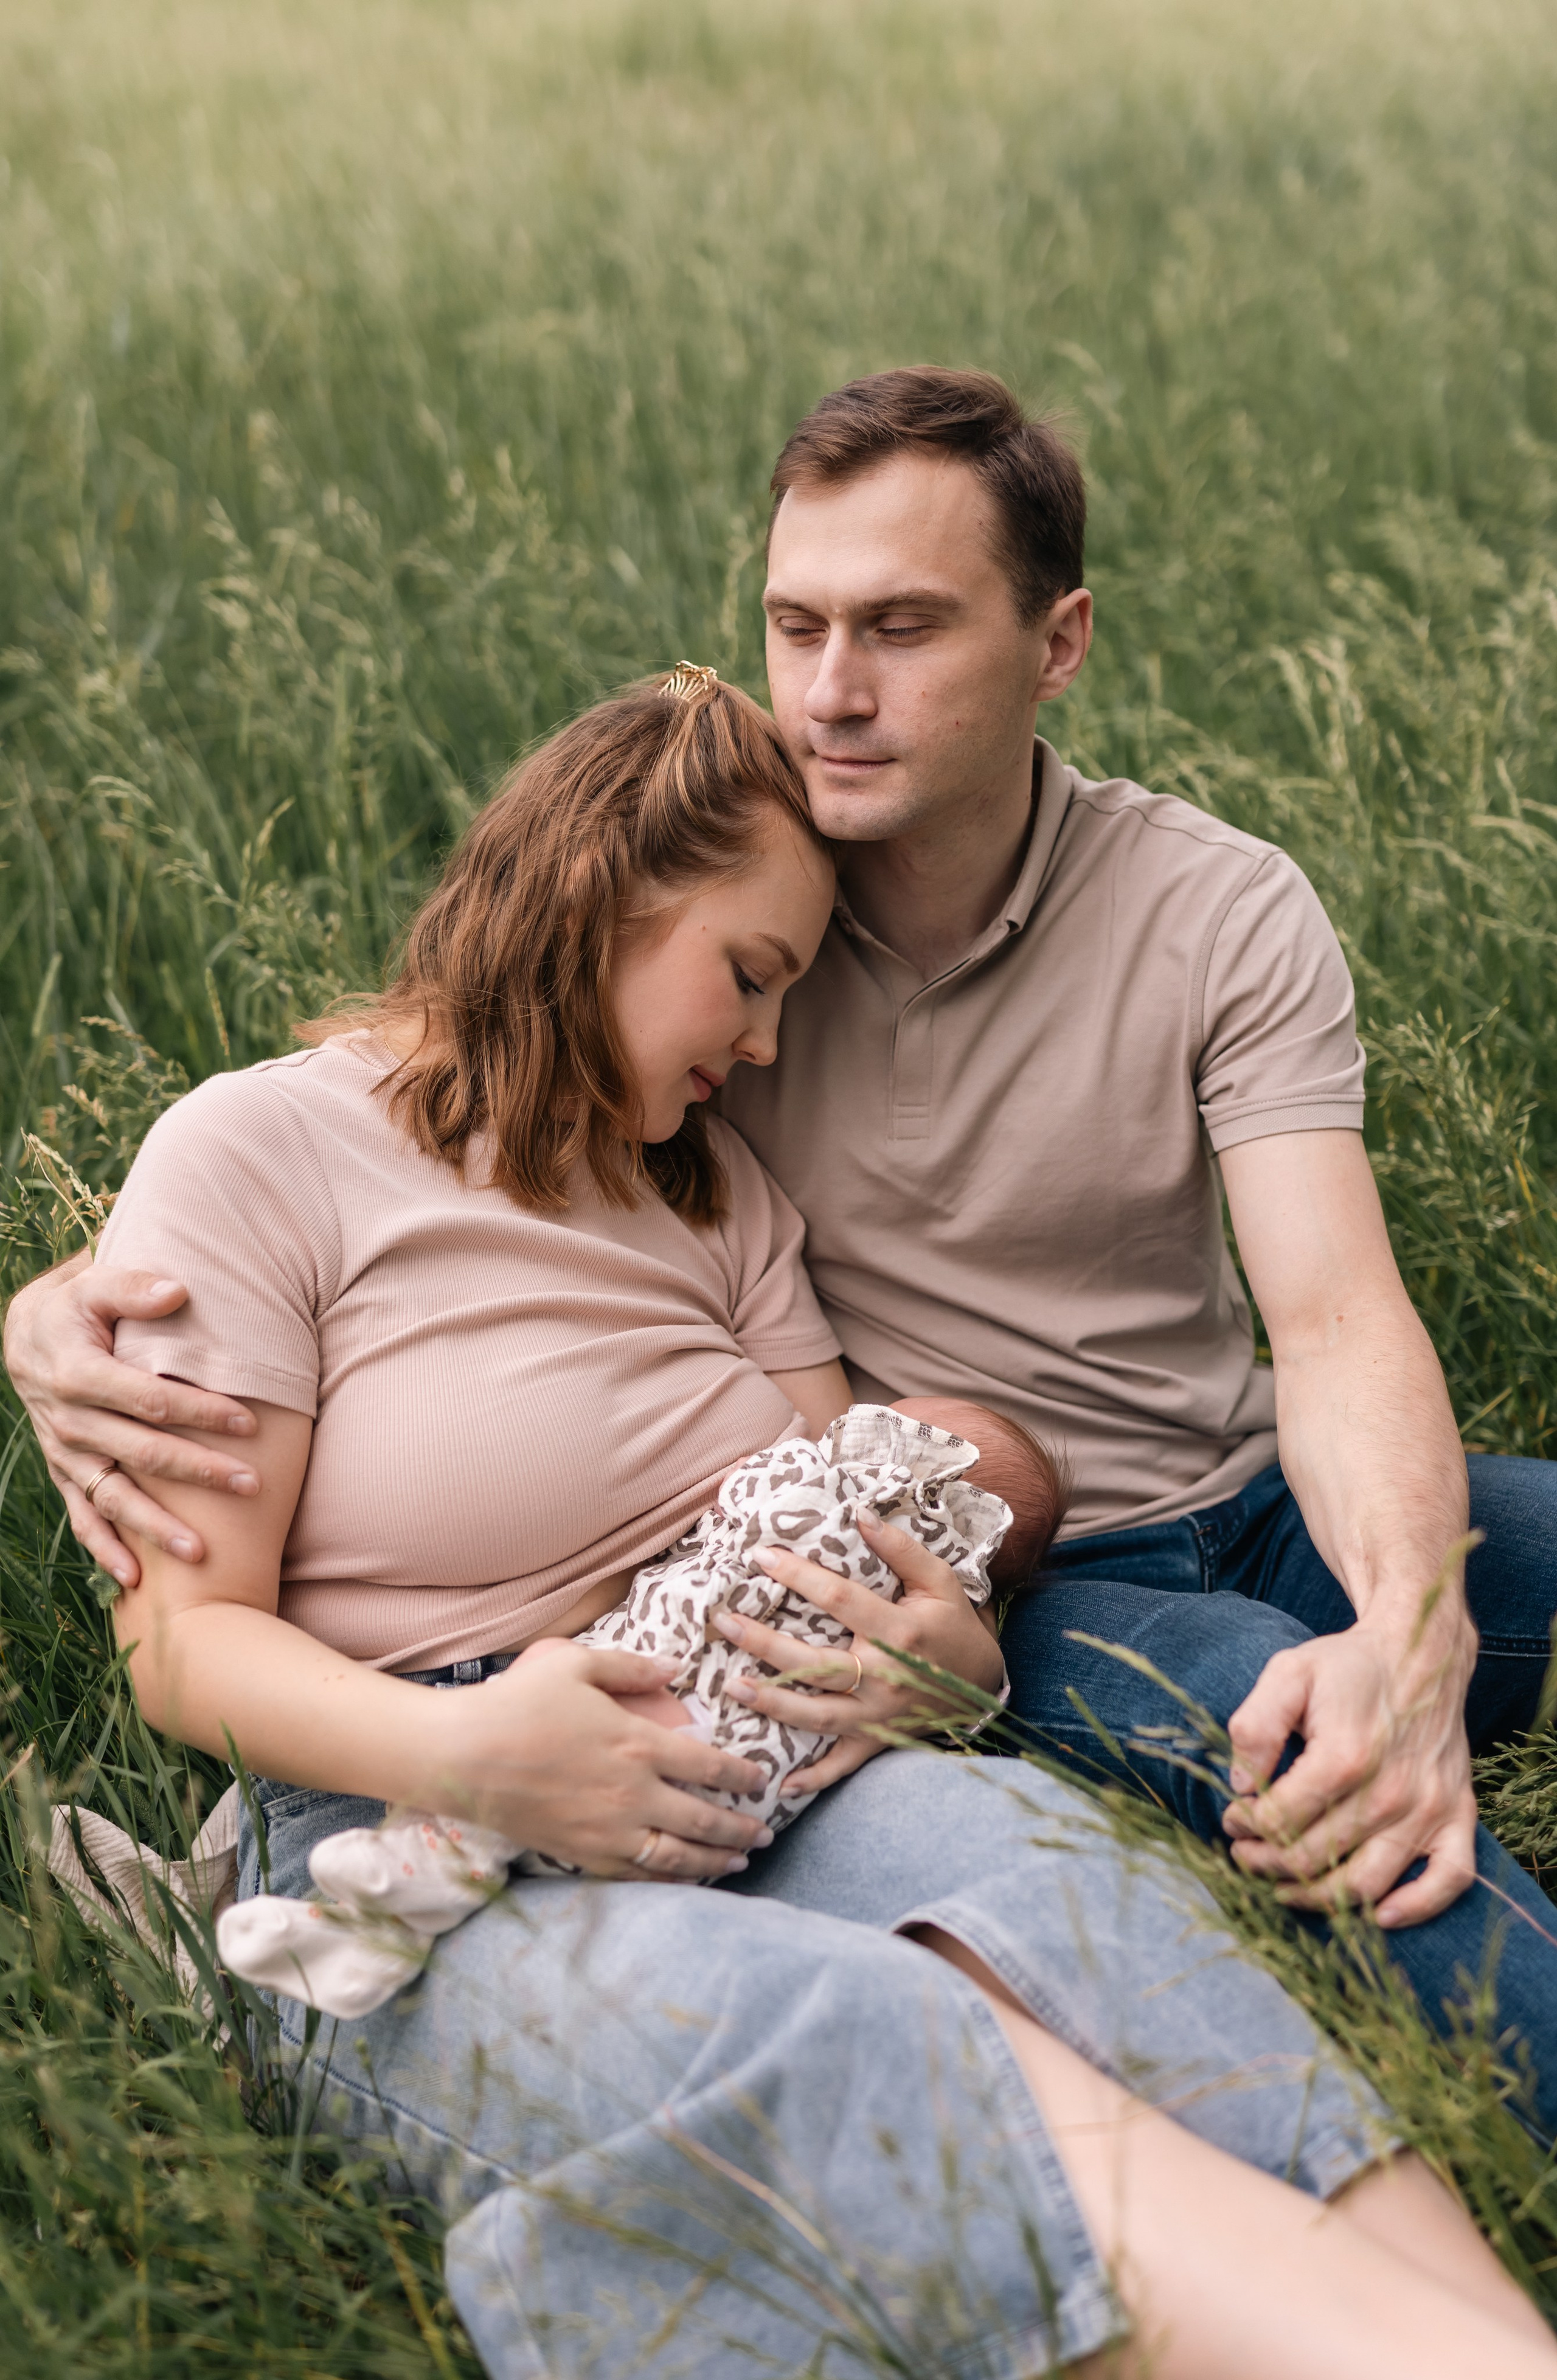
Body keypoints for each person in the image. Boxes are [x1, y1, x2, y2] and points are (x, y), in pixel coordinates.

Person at [29, 668, 1555, 2376]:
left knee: (1079, 1913)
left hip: (754, 1747)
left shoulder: (722, 1199)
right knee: (866, 2030)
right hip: (400, 1808)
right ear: (598, 892)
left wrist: (943, 1658)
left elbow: (857, 1485)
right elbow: (179, 1643)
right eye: (748, 978)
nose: (763, 1042)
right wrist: (476, 1761)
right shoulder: (258, 1152)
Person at [214, 1395, 1053, 2017]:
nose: (867, 1415)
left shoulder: (853, 1516)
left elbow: (776, 1484)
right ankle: (374, 1921)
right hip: (714, 1790)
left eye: (902, 1415)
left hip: (665, 1728)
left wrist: (969, 1672)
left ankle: (394, 1897)